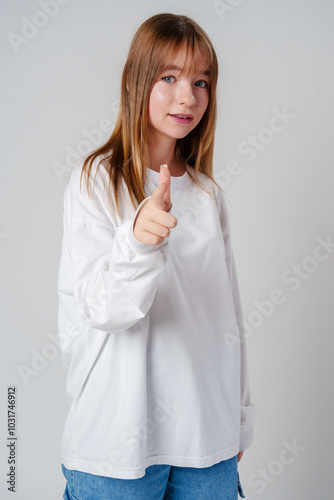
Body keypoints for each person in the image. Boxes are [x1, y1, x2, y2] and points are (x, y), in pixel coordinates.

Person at [57, 12, 259, 500]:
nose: (188, 96)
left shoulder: (209, 195)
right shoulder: (96, 180)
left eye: (201, 81)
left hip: (206, 446)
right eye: (169, 77)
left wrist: (239, 419)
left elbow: (226, 320)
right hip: (117, 449)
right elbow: (99, 313)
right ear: (136, 80)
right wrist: (138, 244)